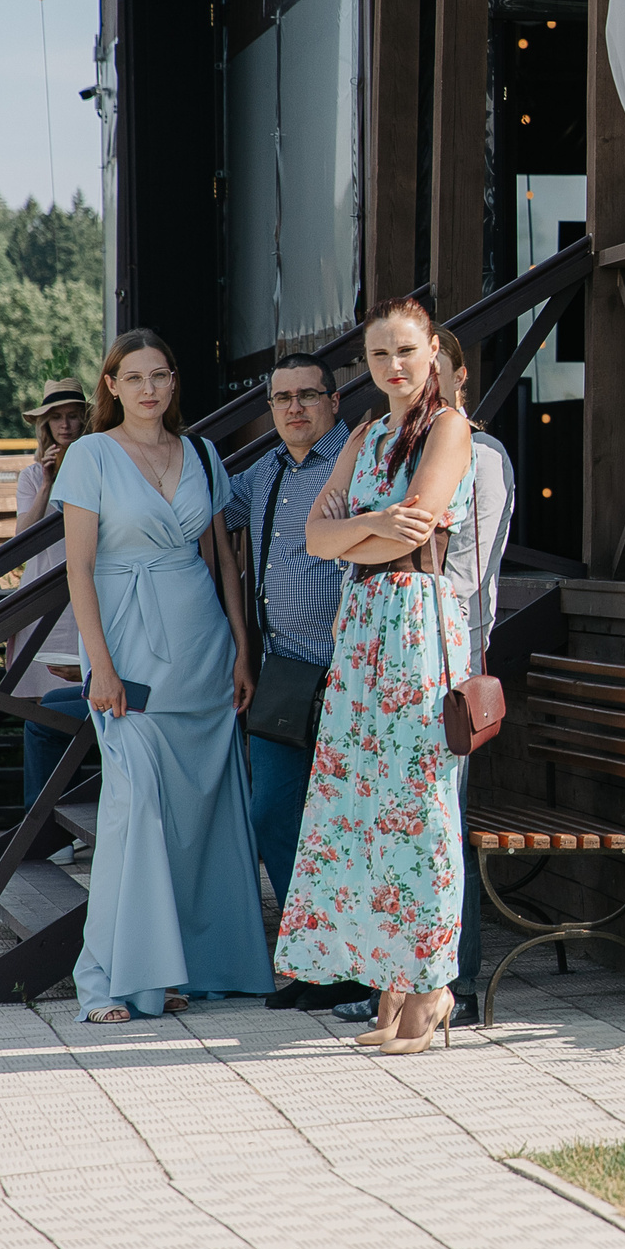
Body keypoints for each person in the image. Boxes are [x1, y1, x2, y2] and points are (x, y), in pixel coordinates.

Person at [274, 297, 477, 1054]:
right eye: (380, 354)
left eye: (406, 350)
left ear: (432, 351)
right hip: (360, 631)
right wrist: (367, 527)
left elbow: (417, 524)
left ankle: (432, 985)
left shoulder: (448, 426)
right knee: (359, 805)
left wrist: (353, 533)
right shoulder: (364, 432)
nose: (394, 365)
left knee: (418, 807)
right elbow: (314, 539)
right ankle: (392, 976)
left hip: (415, 624)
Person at [53, 331, 266, 1021]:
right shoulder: (89, 456)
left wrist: (240, 648)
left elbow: (226, 562)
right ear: (110, 384)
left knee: (197, 817)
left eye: (161, 375)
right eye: (134, 376)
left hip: (205, 653)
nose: (149, 388)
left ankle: (184, 970)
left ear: (175, 383)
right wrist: (101, 666)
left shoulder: (201, 451)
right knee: (133, 810)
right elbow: (77, 569)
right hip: (128, 657)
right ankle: (110, 978)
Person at [217, 354, 365, 1012]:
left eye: (309, 395)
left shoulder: (360, 460)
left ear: (334, 401)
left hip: (350, 676)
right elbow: (199, 501)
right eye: (282, 398)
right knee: (274, 811)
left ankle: (358, 966)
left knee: (347, 824)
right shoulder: (265, 470)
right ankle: (315, 960)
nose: (295, 407)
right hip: (283, 678)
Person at [12, 378, 91, 815]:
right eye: (56, 417)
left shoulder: (100, 462)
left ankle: (74, 815)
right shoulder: (30, 474)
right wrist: (45, 482)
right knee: (43, 714)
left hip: (84, 597)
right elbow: (19, 541)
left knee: (85, 707)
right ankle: (44, 824)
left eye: (72, 415)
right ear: (44, 424)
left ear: (84, 418)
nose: (65, 424)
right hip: (42, 598)